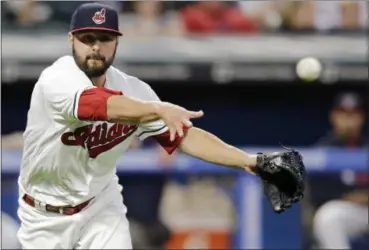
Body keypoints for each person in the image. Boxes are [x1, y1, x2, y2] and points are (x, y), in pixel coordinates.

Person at [17, 2, 279, 249]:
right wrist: (157, 108)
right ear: (71, 40)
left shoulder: (134, 90)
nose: (96, 47)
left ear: (117, 42)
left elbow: (185, 136)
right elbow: (96, 104)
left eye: (105, 38)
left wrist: (250, 161)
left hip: (100, 208)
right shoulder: (56, 78)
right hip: (45, 213)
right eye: (87, 38)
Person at [313, 92, 368, 249]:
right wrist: (351, 197)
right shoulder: (323, 150)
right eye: (343, 114)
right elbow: (320, 196)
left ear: (361, 117)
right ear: (334, 116)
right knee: (328, 216)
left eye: (353, 114)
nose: (349, 120)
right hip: (348, 213)